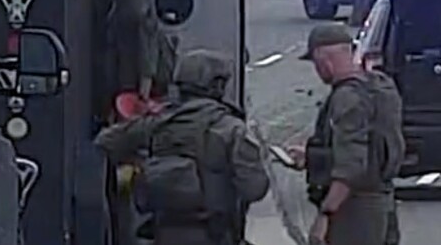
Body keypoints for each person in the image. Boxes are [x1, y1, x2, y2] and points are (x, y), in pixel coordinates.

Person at [95, 49, 269, 245]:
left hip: (164, 233)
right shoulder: (231, 130)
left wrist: (139, 163)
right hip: (215, 235)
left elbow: (105, 142)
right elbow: (255, 188)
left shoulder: (157, 124)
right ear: (217, 86)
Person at [288, 24, 404, 245]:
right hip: (383, 202)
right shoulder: (382, 87)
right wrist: (312, 157)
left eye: (316, 64)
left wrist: (326, 214)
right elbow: (372, 148)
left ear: (324, 61)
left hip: (354, 212)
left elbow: (351, 167)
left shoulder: (346, 98)